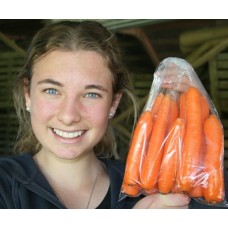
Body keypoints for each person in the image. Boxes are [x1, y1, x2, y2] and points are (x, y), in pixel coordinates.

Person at [0, 20, 226, 209]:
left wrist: (198, 147)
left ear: (113, 103)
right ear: (27, 94)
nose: (69, 115)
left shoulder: (149, 189)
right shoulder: (5, 185)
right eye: (52, 91)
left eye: (91, 94)